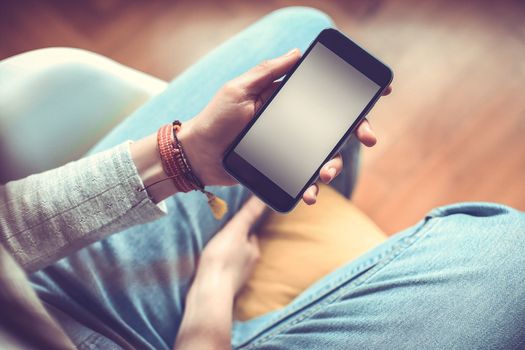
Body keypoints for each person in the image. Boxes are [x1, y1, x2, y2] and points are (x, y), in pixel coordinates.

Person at [0, 6, 523, 350]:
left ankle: (287, 203)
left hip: (32, 288)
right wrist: (213, 296)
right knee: (511, 255)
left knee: (301, 29)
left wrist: (181, 157)